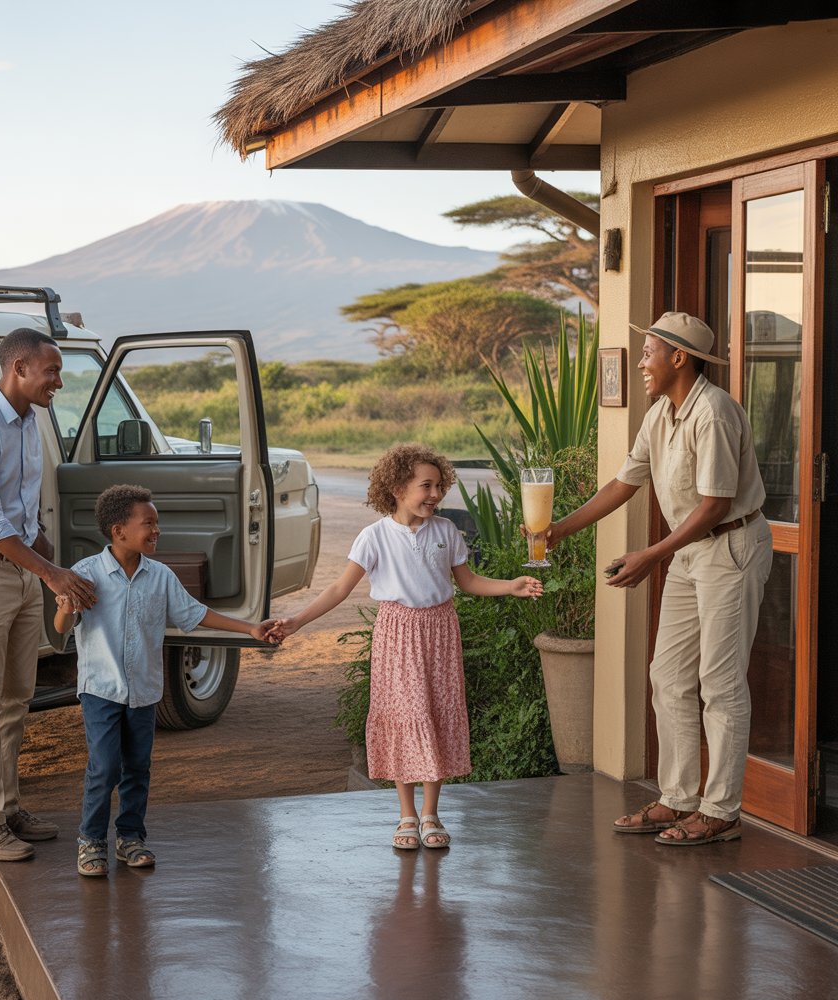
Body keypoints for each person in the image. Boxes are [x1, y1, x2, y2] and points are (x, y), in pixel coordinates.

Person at [545, 312, 772, 846]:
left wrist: (651, 554)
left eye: (647, 352)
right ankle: (678, 799)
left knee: (719, 685)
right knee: (668, 676)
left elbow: (715, 504)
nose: (641, 362)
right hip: (690, 553)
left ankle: (722, 811)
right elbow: (624, 482)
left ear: (678, 358)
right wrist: (559, 529)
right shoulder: (662, 414)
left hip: (730, 548)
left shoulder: (713, 413)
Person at [272, 443, 542, 850]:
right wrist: (295, 622)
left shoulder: (446, 532)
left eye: (439, 486)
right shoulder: (374, 536)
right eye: (426, 486)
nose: (435, 495)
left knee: (436, 713)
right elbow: (339, 589)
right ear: (398, 488)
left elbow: (467, 582)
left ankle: (431, 813)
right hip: (397, 634)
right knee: (404, 714)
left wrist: (512, 586)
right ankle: (406, 814)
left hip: (440, 630)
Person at [54, 483, 279, 877]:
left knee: (138, 766)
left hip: (143, 690)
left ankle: (130, 838)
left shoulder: (160, 576)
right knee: (105, 766)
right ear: (118, 530)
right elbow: (60, 629)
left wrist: (250, 629)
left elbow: (195, 614)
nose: (157, 530)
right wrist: (65, 605)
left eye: (157, 523)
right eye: (148, 523)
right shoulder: (85, 574)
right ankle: (91, 841)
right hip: (101, 690)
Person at [0, 327, 97, 863]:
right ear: (19, 369)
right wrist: (53, 576)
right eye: (51, 370)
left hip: (20, 570)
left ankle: (7, 808)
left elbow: (24, 520)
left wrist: (57, 568)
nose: (58, 380)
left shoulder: (30, 421)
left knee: (14, 700)